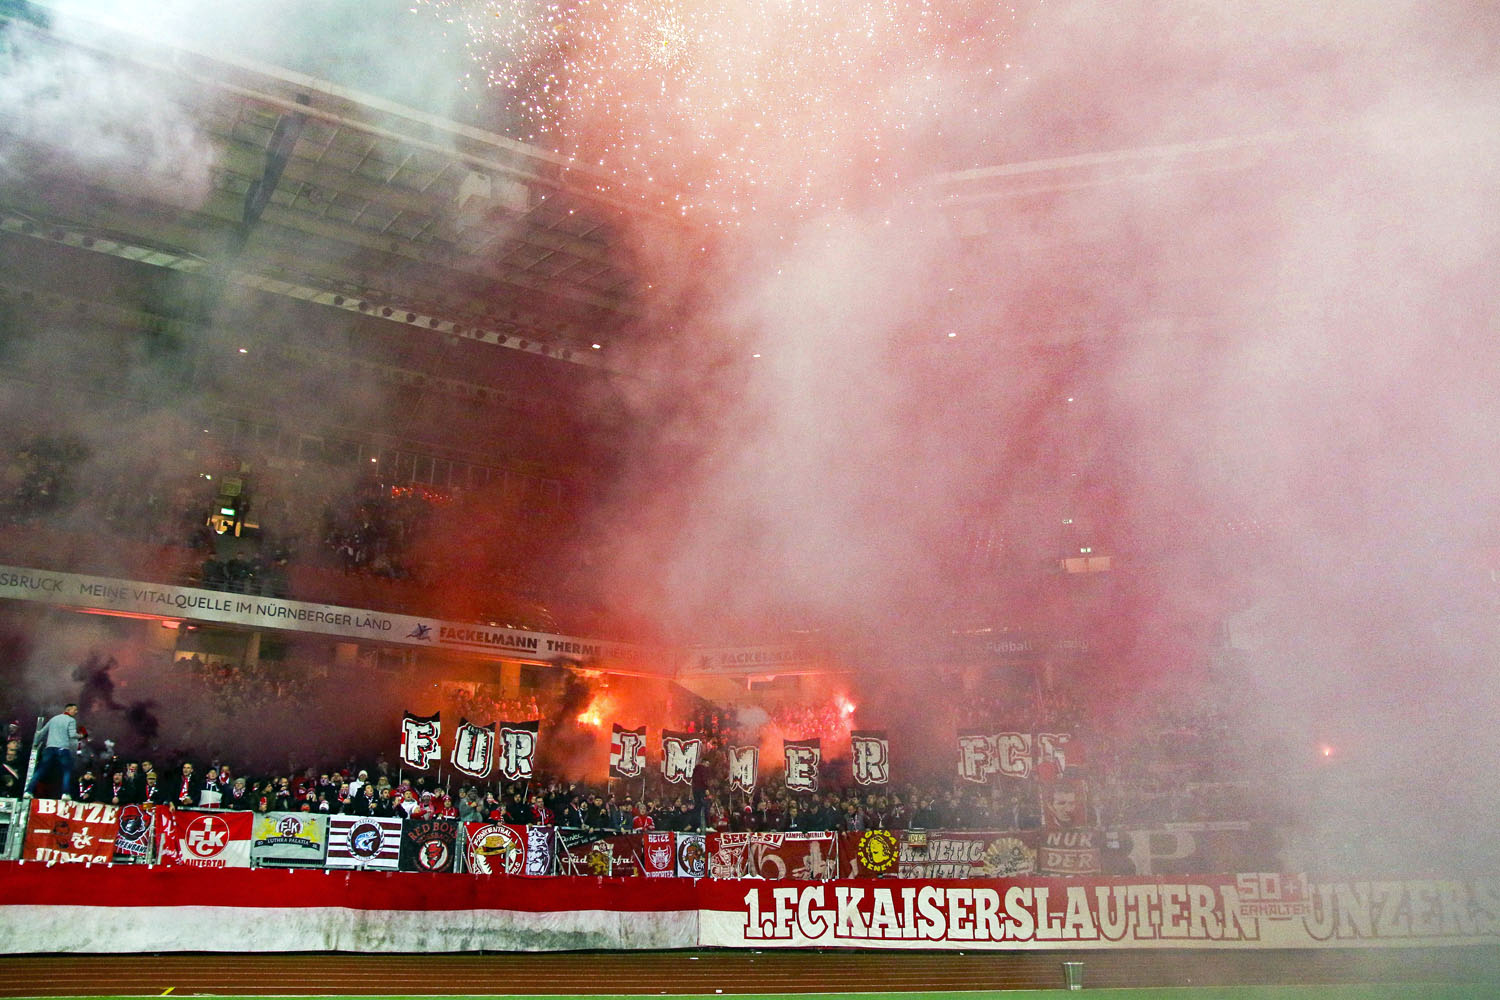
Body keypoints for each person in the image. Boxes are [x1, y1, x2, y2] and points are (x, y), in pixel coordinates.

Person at [25, 703, 80, 799]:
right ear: (68, 709)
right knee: (66, 771)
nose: (76, 712)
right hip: (62, 748)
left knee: (41, 770)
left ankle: (28, 791)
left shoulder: (54, 719)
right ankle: (65, 793)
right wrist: (81, 735)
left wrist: (35, 743)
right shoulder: (71, 720)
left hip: (49, 748)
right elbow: (72, 735)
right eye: (74, 710)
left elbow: (41, 732)